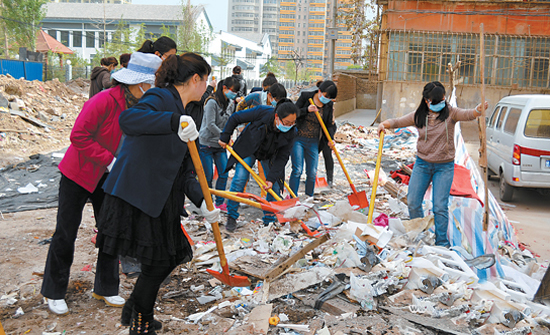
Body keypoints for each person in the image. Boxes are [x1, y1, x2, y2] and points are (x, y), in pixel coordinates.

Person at [95, 53, 220, 334]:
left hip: (162, 196)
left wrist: (202, 202)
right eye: (206, 80)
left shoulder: (192, 109)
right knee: (158, 261)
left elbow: (190, 168)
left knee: (171, 256)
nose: (207, 86)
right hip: (138, 192)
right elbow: (130, 120)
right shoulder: (161, 98)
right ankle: (141, 321)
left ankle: (134, 308)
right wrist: (173, 122)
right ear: (195, 79)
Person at [40, 52, 163, 316]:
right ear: (136, 83)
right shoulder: (103, 101)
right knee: (66, 231)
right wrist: (108, 160)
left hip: (109, 178)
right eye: (148, 86)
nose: (151, 91)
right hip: (79, 173)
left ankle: (106, 288)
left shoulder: (140, 107)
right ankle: (53, 291)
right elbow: (78, 135)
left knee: (110, 233)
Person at [377, 81, 488, 248]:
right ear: (426, 101)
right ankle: (418, 237)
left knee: (439, 207)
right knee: (414, 201)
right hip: (422, 164)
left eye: (442, 100)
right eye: (436, 102)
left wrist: (477, 111)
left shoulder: (451, 113)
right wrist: (383, 124)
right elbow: (397, 122)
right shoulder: (419, 116)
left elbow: (467, 114)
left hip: (444, 167)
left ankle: (441, 243)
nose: (440, 104)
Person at [219, 95, 298, 232]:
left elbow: (282, 157)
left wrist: (271, 179)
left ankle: (269, 220)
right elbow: (236, 117)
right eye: (286, 123)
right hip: (249, 147)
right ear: (277, 117)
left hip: (270, 154)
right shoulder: (263, 112)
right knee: (239, 179)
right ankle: (231, 216)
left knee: (273, 186)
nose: (289, 126)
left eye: (293, 123)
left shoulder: (291, 132)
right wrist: (225, 136)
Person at [198, 76, 241, 211]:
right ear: (224, 88)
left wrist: (229, 135)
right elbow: (210, 124)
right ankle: (208, 203)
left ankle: (220, 202)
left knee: (223, 173)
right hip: (206, 143)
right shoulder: (212, 102)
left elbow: (230, 122)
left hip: (220, 145)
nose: (233, 94)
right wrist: (223, 136)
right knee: (208, 176)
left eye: (236, 93)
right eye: (232, 91)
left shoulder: (231, 103)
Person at [289, 80, 338, 196]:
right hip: (298, 138)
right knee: (297, 170)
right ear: (320, 91)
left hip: (314, 141)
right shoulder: (306, 97)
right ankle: (292, 197)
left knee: (312, 173)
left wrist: (331, 139)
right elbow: (293, 113)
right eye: (326, 96)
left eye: (330, 98)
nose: (327, 99)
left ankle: (308, 199)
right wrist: (306, 110)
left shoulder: (328, 105)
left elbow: (329, 125)